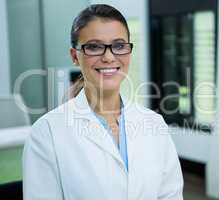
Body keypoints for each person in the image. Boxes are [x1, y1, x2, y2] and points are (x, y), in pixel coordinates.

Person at [22, 4, 183, 200]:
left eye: (119, 45)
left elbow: (170, 195)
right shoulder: (46, 133)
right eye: (94, 47)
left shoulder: (154, 123)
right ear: (75, 56)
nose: (108, 57)